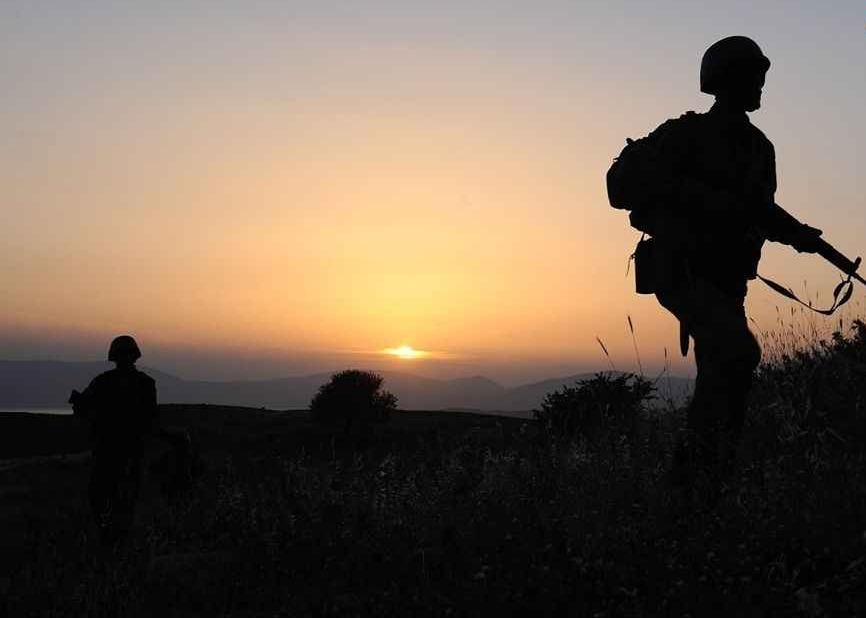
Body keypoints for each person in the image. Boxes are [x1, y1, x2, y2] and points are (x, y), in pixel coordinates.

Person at [607, 36, 824, 499]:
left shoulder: (758, 147)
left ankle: (707, 479)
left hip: (726, 280)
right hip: (682, 271)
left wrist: (801, 235)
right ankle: (694, 479)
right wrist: (698, 201)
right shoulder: (683, 135)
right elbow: (620, 189)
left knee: (721, 370)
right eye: (754, 76)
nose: (762, 85)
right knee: (738, 353)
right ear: (727, 80)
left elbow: (761, 210)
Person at [70, 335, 158, 543]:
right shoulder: (145, 383)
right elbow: (151, 418)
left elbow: (83, 409)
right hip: (126, 450)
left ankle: (111, 540)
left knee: (106, 499)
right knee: (121, 501)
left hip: (111, 450)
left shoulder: (104, 381)